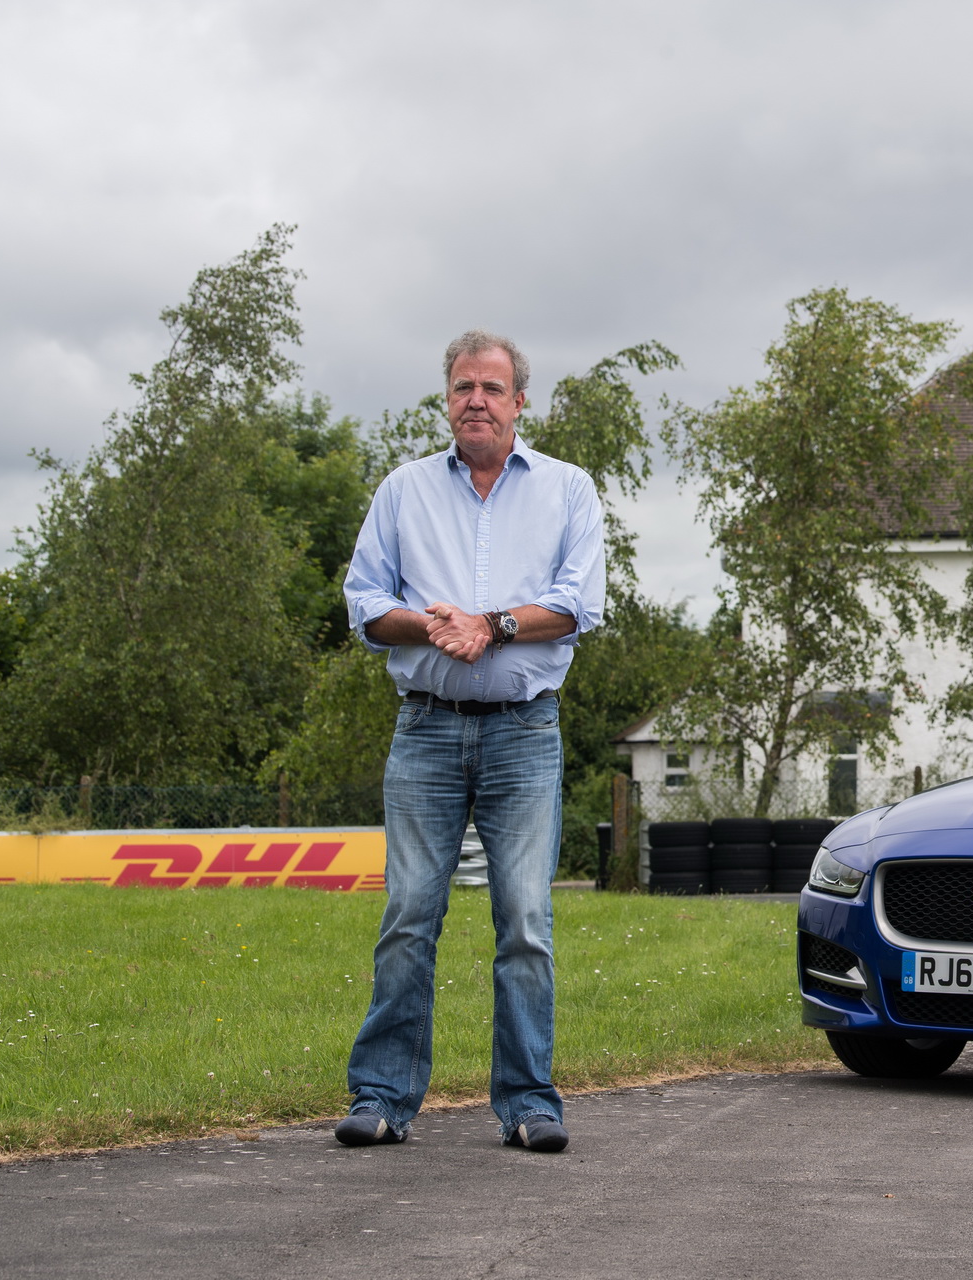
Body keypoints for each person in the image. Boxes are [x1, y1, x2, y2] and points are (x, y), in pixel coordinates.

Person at [336, 330, 605, 1153]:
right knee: (409, 915)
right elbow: (364, 604)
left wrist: (488, 626)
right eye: (462, 388)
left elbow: (576, 605)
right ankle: (382, 1098)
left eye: (491, 388)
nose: (476, 401)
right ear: (446, 400)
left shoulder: (567, 490)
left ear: (521, 401)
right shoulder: (403, 490)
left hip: (525, 735)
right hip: (425, 731)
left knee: (524, 918)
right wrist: (436, 625)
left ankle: (529, 1104)